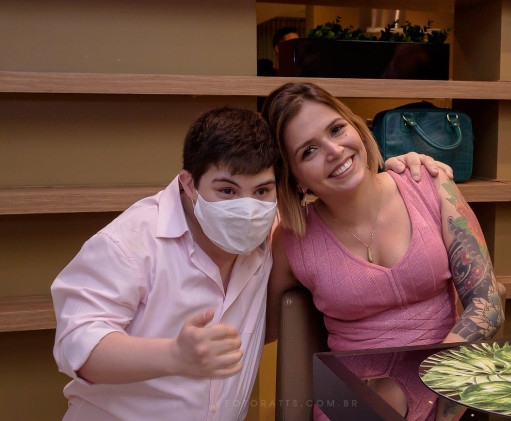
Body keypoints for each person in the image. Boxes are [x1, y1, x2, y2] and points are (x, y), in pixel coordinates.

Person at [51, 105, 443, 421]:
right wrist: (173, 356)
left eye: (261, 190)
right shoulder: (129, 243)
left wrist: (405, 170)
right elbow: (77, 346)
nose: (245, 208)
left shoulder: (272, 236)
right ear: (189, 184)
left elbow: (343, 203)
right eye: (226, 191)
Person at [261, 82, 505, 421]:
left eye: (336, 129)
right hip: (355, 405)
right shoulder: (291, 240)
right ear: (295, 177)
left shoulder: (431, 185)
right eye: (309, 151)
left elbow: (487, 305)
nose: (334, 150)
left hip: (448, 390)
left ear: (356, 127)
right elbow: (259, 331)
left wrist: (443, 404)